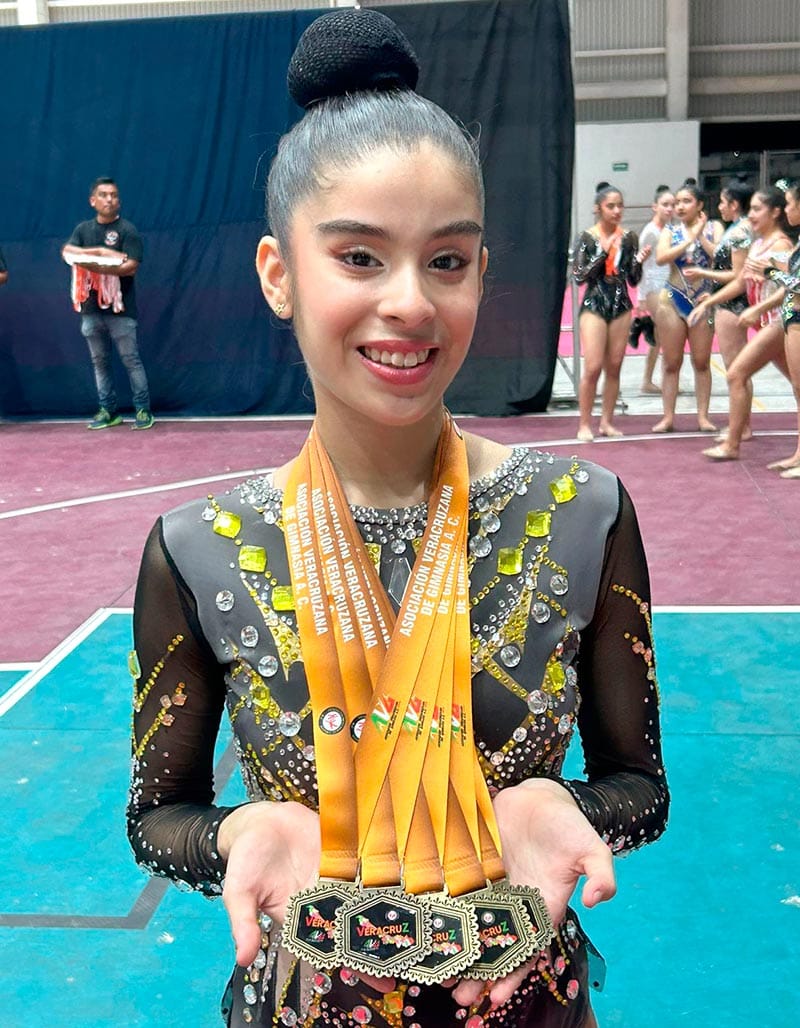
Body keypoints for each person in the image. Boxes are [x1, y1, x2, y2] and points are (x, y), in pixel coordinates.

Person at [126, 11, 669, 1028]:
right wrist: (244, 831)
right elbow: (159, 813)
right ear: (279, 273)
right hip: (299, 1005)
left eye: (447, 260)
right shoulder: (199, 551)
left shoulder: (581, 515)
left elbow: (638, 782)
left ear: (482, 272)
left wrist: (557, 806)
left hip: (526, 1003)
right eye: (360, 257)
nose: (411, 303)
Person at [689, 186, 793, 462]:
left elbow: (790, 288)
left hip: (780, 322)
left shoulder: (781, 245)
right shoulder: (758, 244)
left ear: (775, 212)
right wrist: (709, 303)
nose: (753, 215)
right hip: (768, 323)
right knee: (796, 383)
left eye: (758, 209)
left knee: (736, 374)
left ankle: (732, 444)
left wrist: (758, 308)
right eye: (752, 209)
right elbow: (739, 282)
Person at [62, 177, 154, 430]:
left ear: (119, 201)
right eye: (103, 195)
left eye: (113, 195)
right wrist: (104, 255)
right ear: (93, 201)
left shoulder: (127, 230)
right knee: (99, 362)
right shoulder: (83, 230)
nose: (109, 199)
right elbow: (68, 253)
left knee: (131, 360)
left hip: (120, 311)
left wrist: (90, 263)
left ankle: (143, 409)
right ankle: (108, 410)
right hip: (90, 311)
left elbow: (130, 266)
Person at [572, 183, 650, 441]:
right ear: (598, 209)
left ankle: (606, 422)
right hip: (595, 303)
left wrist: (639, 263)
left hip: (621, 304)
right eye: (611, 206)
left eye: (620, 206)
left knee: (614, 366)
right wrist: (602, 253)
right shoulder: (587, 237)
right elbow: (580, 276)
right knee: (593, 366)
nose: (617, 211)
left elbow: (633, 280)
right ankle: (585, 423)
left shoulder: (629, 237)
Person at [683, 179, 753, 442]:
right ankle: (742, 425)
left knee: (736, 369)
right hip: (725, 302)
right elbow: (722, 257)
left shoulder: (740, 231)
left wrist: (704, 274)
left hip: (732, 305)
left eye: (723, 202)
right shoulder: (736, 229)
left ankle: (741, 427)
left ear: (734, 205)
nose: (720, 207)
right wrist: (701, 235)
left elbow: (736, 275)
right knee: (737, 369)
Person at [651, 180, 722, 434]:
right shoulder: (671, 231)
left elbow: (720, 256)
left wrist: (700, 235)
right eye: (677, 202)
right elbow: (661, 258)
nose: (680, 206)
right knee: (671, 362)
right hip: (673, 299)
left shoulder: (714, 227)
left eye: (686, 201)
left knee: (702, 362)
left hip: (703, 300)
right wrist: (689, 238)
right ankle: (668, 417)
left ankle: (703, 416)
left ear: (700, 204)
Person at [768, 180, 800, 477]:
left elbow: (798, 284)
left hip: (798, 316)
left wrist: (771, 272)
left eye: (789, 204)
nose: (786, 209)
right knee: (797, 388)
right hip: (792, 316)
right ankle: (799, 453)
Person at [633, 185, 675, 394]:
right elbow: (641, 264)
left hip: (667, 285)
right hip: (654, 287)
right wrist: (641, 297)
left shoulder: (669, 229)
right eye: (665, 204)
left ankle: (650, 380)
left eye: (672, 205)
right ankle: (660, 379)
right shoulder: (650, 232)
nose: (669, 209)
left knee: (659, 337)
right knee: (665, 335)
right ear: (655, 206)